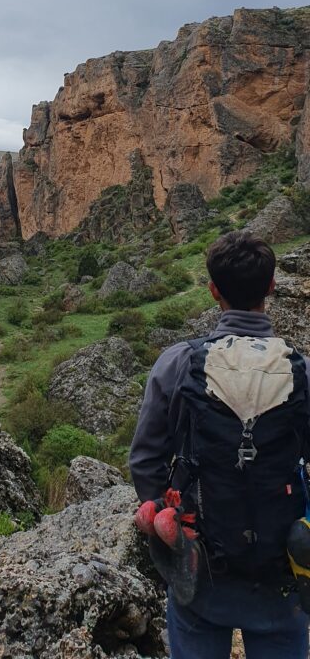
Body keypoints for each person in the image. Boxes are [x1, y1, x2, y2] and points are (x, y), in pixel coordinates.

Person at [129, 230, 310, 659]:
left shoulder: (178, 363)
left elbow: (145, 458)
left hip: (200, 573)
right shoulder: (302, 371)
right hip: (282, 575)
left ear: (213, 291)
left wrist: (161, 509)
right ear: (270, 287)